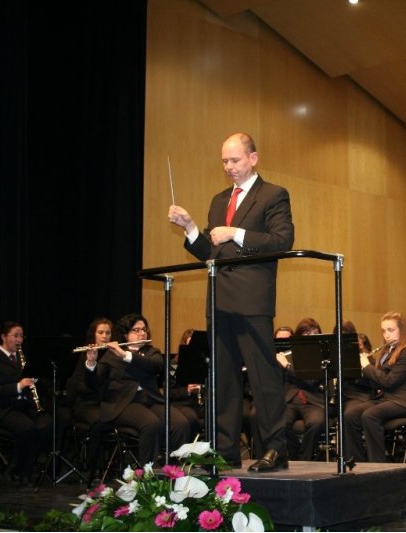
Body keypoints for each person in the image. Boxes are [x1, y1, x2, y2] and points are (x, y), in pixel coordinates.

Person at [168, 132, 294, 472]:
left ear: (253, 158)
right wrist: (192, 228)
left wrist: (235, 233)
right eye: (224, 161)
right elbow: (211, 251)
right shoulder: (219, 199)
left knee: (263, 378)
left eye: (235, 160)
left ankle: (274, 449)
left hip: (252, 302)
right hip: (220, 301)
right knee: (222, 381)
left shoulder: (273, 195)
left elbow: (282, 240)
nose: (228, 167)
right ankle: (224, 450)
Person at [84, 313, 191, 466]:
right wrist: (91, 362)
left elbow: (154, 366)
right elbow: (94, 382)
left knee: (180, 423)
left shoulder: (151, 352)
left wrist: (125, 355)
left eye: (144, 329)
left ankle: (174, 469)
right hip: (123, 404)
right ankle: (147, 475)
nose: (142, 333)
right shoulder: (111, 355)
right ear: (126, 335)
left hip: (150, 400)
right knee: (151, 424)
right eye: (136, 330)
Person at [343, 312, 406, 463]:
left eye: (391, 330)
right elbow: (377, 382)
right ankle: (356, 462)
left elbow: (389, 382)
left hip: (405, 401)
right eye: (384, 331)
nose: (386, 335)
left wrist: (367, 367)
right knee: (350, 415)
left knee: (370, 415)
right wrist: (357, 371)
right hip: (387, 399)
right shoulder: (387, 351)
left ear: (402, 330)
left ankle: (378, 465)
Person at [0, 321, 52, 486]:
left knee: (47, 425)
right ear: (4, 337)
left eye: (21, 336)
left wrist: (36, 380)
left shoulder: (22, 359)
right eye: (15, 335)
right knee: (27, 428)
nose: (19, 340)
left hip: (22, 407)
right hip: (0, 409)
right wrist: (18, 386)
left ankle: (22, 467)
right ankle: (18, 471)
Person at [276, 318, 328, 461]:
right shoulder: (289, 354)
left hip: (312, 401)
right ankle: (294, 454)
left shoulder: (323, 356)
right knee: (279, 421)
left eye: (315, 333)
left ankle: (305, 458)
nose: (311, 337)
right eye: (307, 334)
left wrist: (287, 367)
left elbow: (311, 380)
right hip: (290, 400)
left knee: (317, 422)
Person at [66, 318, 111, 472]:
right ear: (94, 335)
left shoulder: (114, 354)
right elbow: (76, 385)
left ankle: (114, 464)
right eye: (101, 332)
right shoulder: (85, 354)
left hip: (106, 402)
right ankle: (95, 468)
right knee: (99, 421)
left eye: (108, 333)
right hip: (86, 404)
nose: (104, 336)